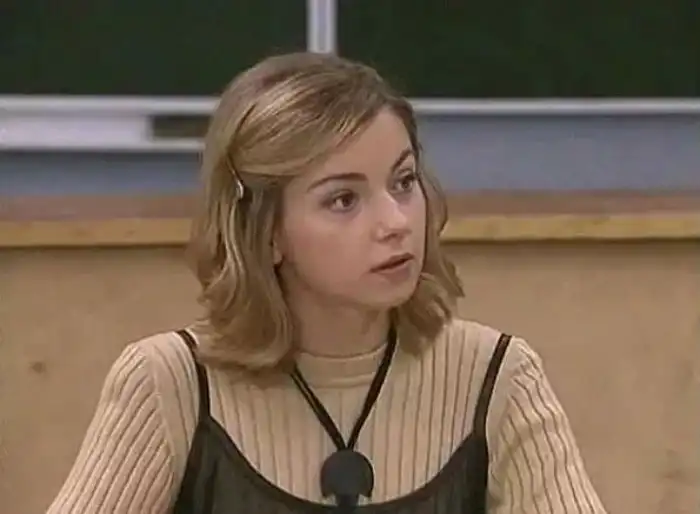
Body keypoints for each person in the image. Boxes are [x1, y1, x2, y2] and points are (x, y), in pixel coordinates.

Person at [46, 52, 607, 514]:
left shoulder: (497, 377)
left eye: (403, 181)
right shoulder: (171, 384)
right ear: (266, 231)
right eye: (343, 199)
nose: (395, 222)